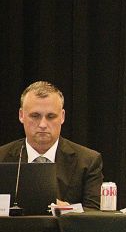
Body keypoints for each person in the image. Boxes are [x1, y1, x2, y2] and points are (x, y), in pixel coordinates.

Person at [0, 81, 103, 210]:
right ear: (21, 115)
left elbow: (95, 214)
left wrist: (69, 210)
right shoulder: (2, 157)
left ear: (62, 117)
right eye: (35, 116)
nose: (43, 124)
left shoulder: (88, 161)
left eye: (51, 116)